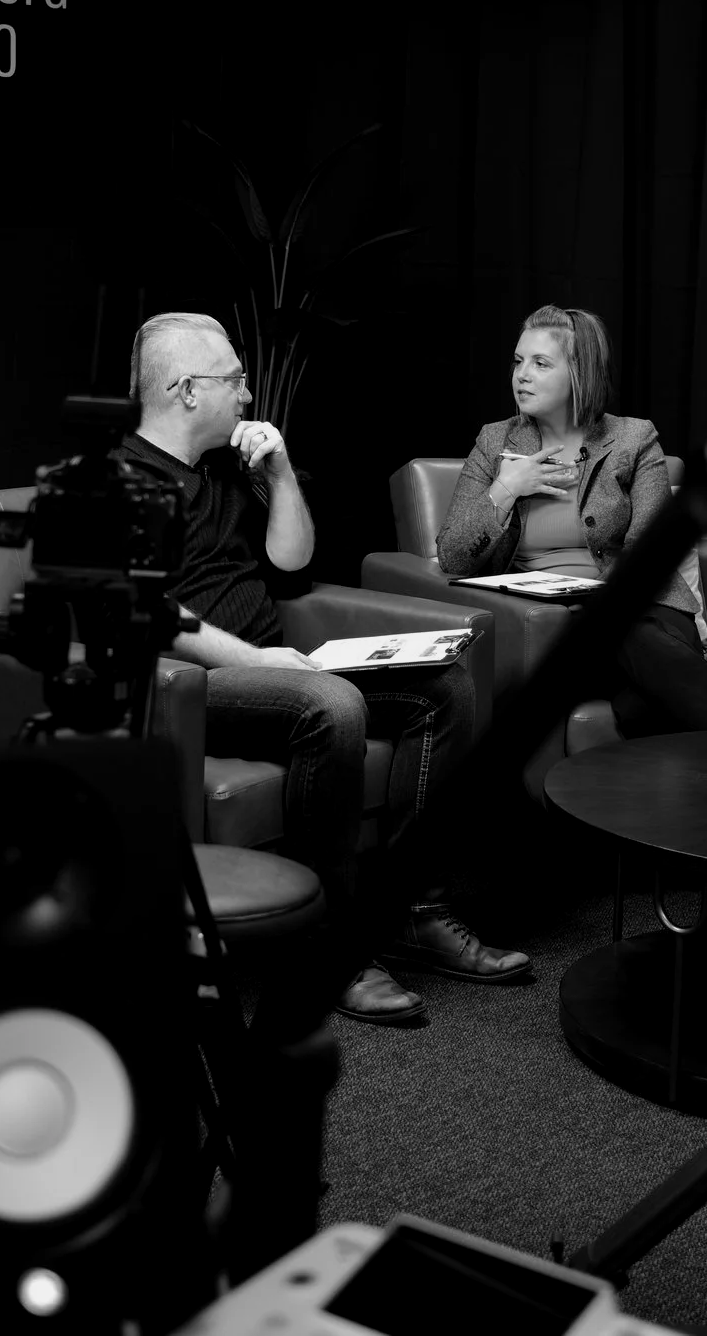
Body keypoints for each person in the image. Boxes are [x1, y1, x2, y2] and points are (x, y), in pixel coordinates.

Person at [113, 312, 531, 1025]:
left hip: (284, 668)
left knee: (446, 684)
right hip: (197, 684)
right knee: (331, 705)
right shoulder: (121, 480)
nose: (248, 395)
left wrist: (276, 469)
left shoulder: (228, 467)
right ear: (186, 390)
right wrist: (258, 657)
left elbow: (293, 559)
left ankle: (414, 911)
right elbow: (147, 612)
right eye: (234, 380)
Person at [436, 304, 707, 742]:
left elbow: (653, 552)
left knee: (628, 640)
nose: (522, 374)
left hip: (648, 609)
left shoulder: (633, 439)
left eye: (540, 363)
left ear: (580, 373)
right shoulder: (495, 441)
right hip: (548, 622)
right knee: (639, 687)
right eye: (518, 361)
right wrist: (506, 489)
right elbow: (454, 555)